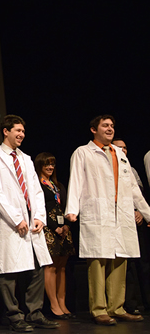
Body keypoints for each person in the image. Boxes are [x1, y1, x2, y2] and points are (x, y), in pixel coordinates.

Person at [65, 115, 150, 325]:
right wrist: (72, 209)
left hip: (120, 213)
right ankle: (99, 309)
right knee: (97, 260)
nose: (110, 128)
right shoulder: (83, 152)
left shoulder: (120, 153)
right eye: (105, 125)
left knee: (121, 258)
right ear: (94, 129)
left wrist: (147, 212)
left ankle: (117, 307)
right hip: (97, 212)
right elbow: (75, 180)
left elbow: (131, 187)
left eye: (112, 125)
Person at [0, 115, 58, 332]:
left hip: (31, 224)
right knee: (8, 273)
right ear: (5, 131)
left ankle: (34, 313)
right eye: (17, 130)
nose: (21, 135)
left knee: (36, 269)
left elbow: (35, 190)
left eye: (23, 131)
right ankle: (14, 316)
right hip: (9, 224)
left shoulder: (25, 158)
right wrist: (16, 219)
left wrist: (39, 218)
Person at [33, 152, 75, 319]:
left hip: (63, 230)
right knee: (50, 266)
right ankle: (53, 305)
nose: (50, 167)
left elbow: (66, 207)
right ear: (40, 166)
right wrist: (53, 226)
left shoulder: (58, 185)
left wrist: (66, 225)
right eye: (46, 164)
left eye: (52, 164)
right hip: (48, 229)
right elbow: (37, 208)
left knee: (62, 267)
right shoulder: (37, 186)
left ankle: (62, 303)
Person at [111, 138, 150, 314]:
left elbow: (139, 194)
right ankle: (130, 304)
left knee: (144, 262)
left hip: (137, 220)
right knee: (127, 265)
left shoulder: (131, 169)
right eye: (119, 148)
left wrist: (141, 213)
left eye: (125, 148)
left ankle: (147, 302)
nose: (123, 150)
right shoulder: (109, 168)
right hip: (120, 220)